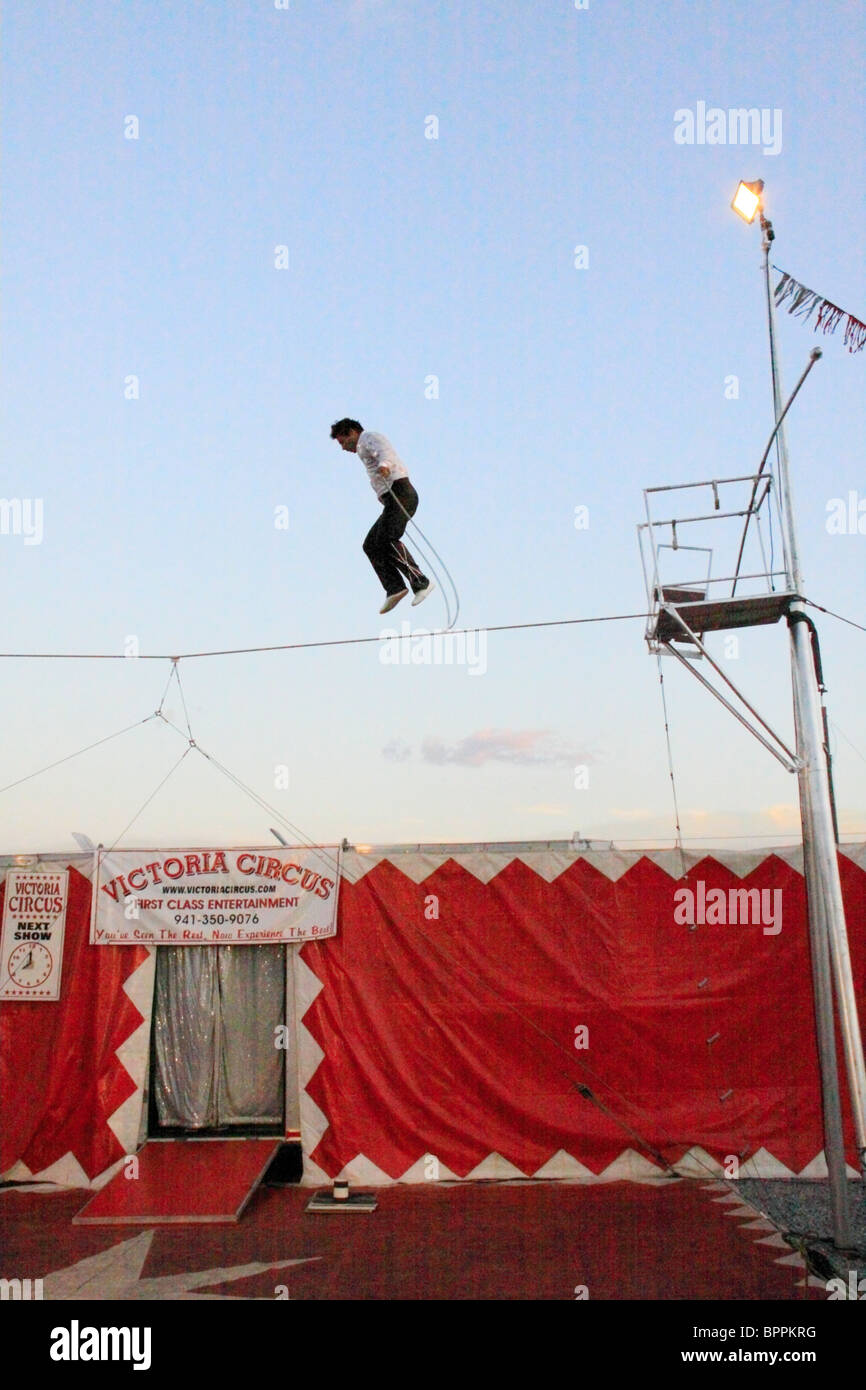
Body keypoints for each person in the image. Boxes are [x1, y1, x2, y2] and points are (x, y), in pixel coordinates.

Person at [330, 418, 435, 613]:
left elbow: (384, 451)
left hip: (401, 493)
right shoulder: (362, 449)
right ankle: (394, 588)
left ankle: (421, 582)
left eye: (342, 441)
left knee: (387, 538)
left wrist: (385, 465)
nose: (343, 448)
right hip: (393, 498)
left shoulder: (368, 437)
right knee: (371, 544)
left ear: (352, 432)